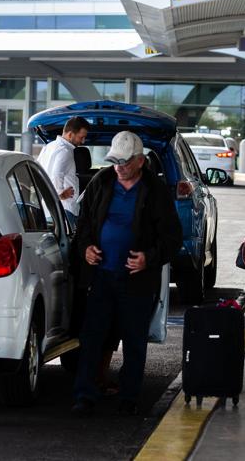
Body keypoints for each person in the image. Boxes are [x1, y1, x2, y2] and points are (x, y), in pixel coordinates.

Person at [70, 131, 182, 417]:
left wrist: (149, 258)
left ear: (140, 161)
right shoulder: (102, 181)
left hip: (137, 281)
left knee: (133, 340)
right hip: (102, 277)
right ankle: (85, 394)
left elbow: (172, 238)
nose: (118, 167)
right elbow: (83, 223)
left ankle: (129, 396)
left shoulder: (155, 192)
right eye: (114, 161)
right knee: (92, 336)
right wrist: (86, 248)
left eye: (124, 162)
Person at [36, 116, 90, 227]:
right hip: (65, 209)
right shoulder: (65, 151)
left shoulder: (48, 147)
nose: (83, 141)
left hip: (48, 209)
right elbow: (57, 174)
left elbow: (38, 170)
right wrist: (59, 194)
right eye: (81, 137)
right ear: (70, 134)